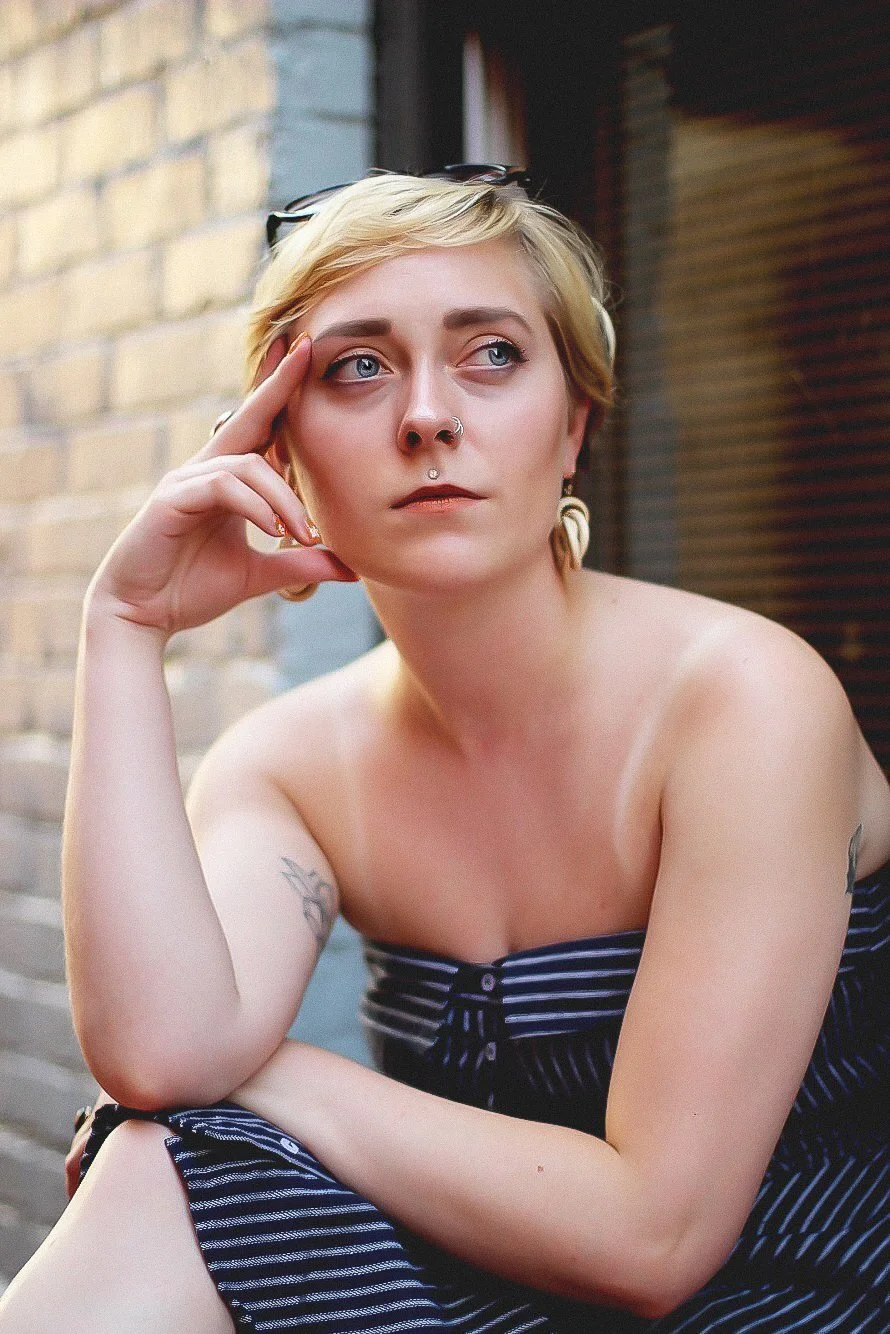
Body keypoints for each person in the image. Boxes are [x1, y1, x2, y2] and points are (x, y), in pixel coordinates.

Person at [0, 167, 887, 1333]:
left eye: (491, 354)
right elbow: (162, 1058)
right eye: (356, 368)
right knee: (156, 1161)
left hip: (790, 1293)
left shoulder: (741, 700)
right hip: (480, 1287)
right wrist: (123, 628)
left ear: (572, 427)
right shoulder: (288, 764)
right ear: (278, 445)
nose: (425, 415)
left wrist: (270, 1076)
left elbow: (655, 1238)